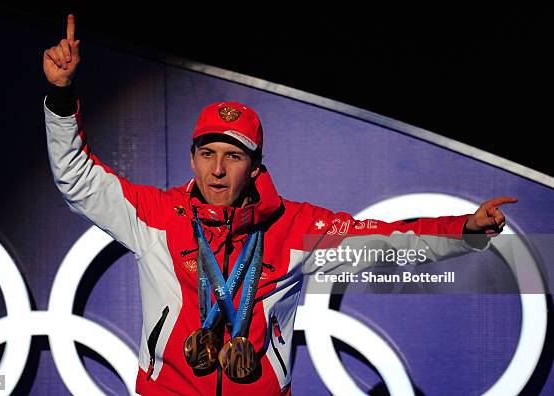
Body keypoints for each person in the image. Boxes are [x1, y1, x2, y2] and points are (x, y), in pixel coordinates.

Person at [43, 14, 517, 396]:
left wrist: (465, 230)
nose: (217, 170)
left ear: (255, 166)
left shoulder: (294, 227)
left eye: (233, 156)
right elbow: (77, 179)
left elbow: (384, 242)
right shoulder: (159, 216)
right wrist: (61, 97)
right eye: (207, 155)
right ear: (192, 159)